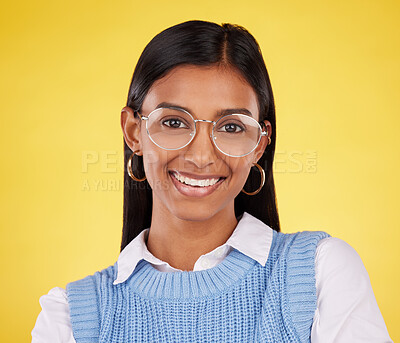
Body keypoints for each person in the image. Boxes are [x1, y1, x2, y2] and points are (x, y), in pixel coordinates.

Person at [31, 20, 393, 342]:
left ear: (259, 144)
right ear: (133, 131)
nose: (201, 156)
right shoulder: (71, 319)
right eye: (173, 122)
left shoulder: (319, 274)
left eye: (232, 127)